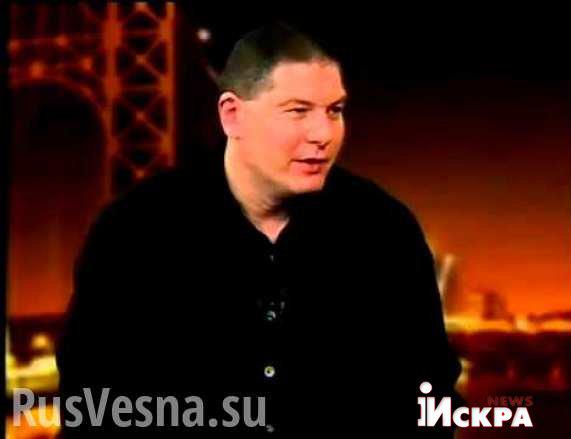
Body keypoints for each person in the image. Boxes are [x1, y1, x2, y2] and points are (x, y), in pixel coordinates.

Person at [56, 22, 462, 437]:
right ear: (232, 115)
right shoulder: (132, 232)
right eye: (298, 111)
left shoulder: (386, 231)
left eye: (334, 110)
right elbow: (89, 406)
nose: (323, 134)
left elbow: (431, 399)